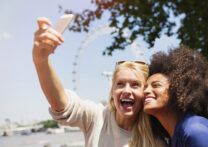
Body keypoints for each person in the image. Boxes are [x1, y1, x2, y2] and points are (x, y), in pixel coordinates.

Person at [32, 17, 164, 147]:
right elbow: (61, 104)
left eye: (135, 85)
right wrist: (41, 61)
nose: (126, 90)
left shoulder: (156, 142)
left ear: (145, 93)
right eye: (120, 84)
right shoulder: (97, 117)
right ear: (112, 91)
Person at [143, 46, 208, 147]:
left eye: (156, 85)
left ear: (178, 89)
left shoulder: (194, 131)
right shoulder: (175, 136)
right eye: (145, 87)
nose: (146, 91)